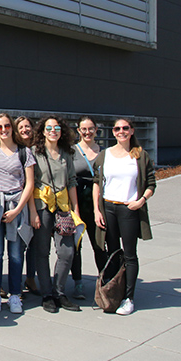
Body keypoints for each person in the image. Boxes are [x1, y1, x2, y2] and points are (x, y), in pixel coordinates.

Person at [93, 118, 156, 316]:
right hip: (109, 208)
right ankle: (114, 295)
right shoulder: (105, 155)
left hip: (129, 209)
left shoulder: (139, 155)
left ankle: (129, 298)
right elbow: (97, 182)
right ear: (113, 132)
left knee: (129, 254)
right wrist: (96, 210)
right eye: (118, 128)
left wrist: (141, 201)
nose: (122, 131)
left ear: (131, 131)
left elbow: (151, 184)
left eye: (125, 128)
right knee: (112, 253)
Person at [0, 113, 35, 315]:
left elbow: (30, 184)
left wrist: (18, 210)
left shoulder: (24, 152)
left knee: (15, 253)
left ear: (12, 128)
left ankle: (14, 294)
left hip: (16, 205)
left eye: (6, 126)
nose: (3, 130)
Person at [31, 115, 81, 314]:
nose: (53, 131)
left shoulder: (66, 153)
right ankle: (47, 295)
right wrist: (33, 212)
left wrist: (75, 210)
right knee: (42, 252)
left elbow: (71, 181)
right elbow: (29, 183)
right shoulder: (34, 153)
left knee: (67, 252)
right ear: (42, 131)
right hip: (42, 205)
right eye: (49, 128)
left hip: (62, 206)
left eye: (57, 128)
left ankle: (59, 291)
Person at [70, 115, 106, 300]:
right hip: (77, 203)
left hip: (98, 204)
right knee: (75, 246)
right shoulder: (71, 151)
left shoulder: (104, 152)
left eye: (91, 128)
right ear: (78, 130)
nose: (87, 132)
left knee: (99, 244)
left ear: (96, 129)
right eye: (83, 129)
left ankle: (104, 280)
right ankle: (78, 283)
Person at [14, 115, 38, 295]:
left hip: (40, 201)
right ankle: (19, 279)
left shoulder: (38, 150)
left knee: (35, 244)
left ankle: (31, 277)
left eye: (27, 126)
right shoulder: (16, 151)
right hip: (24, 201)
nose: (25, 130)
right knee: (20, 243)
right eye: (21, 127)